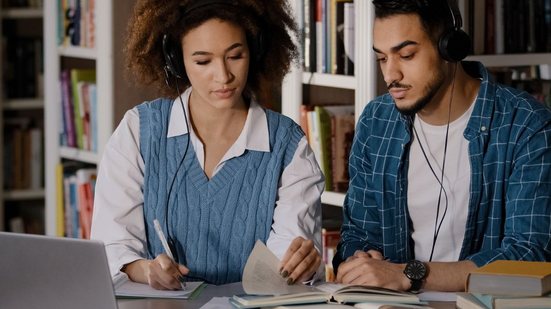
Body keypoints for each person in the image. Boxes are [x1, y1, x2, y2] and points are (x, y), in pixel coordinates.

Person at [90, 0, 325, 290]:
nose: (223, 76)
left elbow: (286, 261)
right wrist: (145, 269)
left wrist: (297, 265)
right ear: (175, 60)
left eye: (235, 56)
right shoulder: (139, 131)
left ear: (255, 50)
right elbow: (111, 245)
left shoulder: (288, 146)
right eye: (203, 61)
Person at [333, 0, 551, 292]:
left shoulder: (526, 125)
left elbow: (530, 254)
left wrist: (409, 274)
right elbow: (357, 233)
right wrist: (363, 259)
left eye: (406, 55)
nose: (390, 76)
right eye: (382, 59)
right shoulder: (376, 121)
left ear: (451, 48)